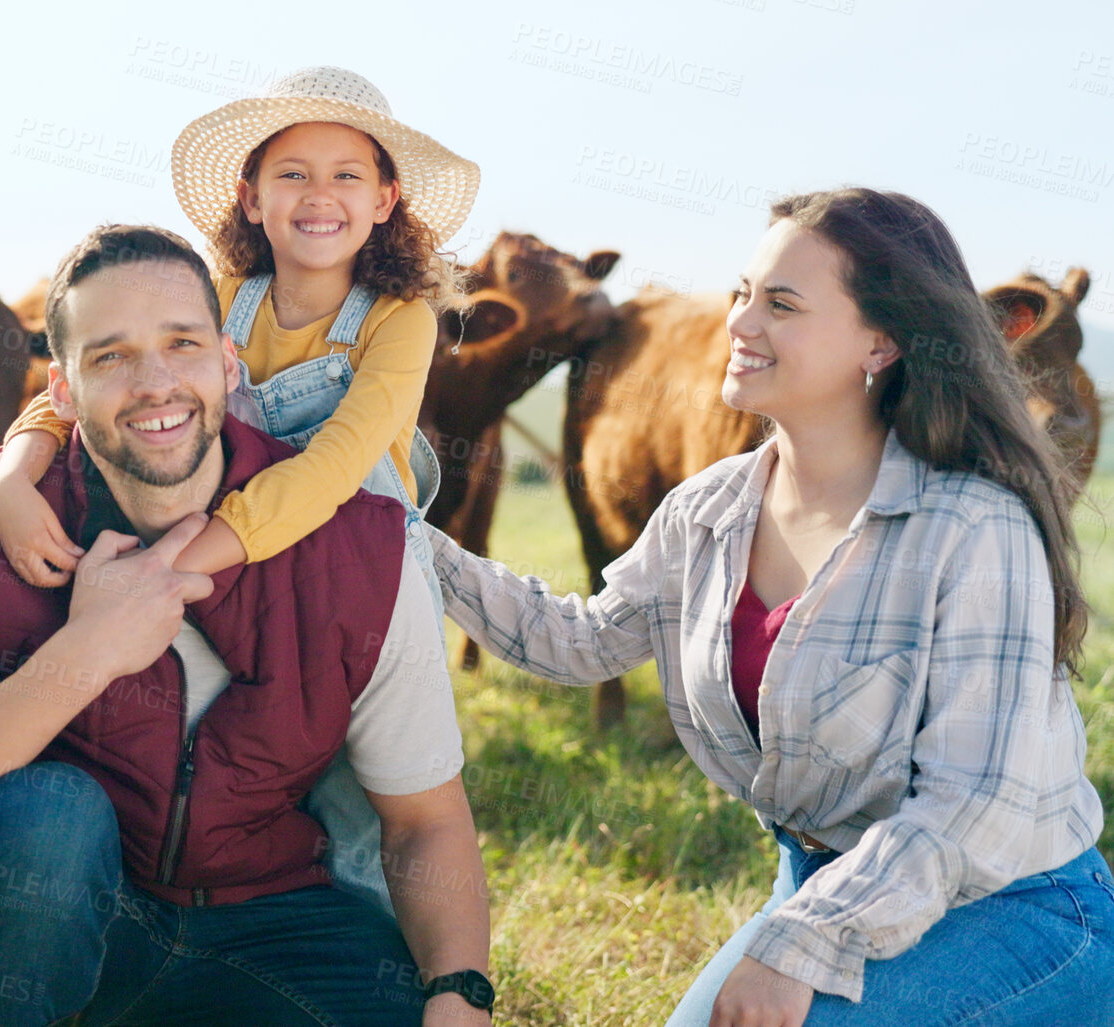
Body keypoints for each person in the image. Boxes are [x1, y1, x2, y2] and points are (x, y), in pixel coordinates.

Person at [424, 188, 1114, 1026]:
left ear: (882, 340)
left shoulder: (972, 527)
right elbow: (580, 640)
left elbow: (974, 808)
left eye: (780, 304)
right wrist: (405, 540)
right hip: (824, 884)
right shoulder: (707, 509)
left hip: (1011, 903)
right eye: (741, 294)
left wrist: (799, 945)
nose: (740, 324)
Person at [0, 225, 495, 1026]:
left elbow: (426, 822)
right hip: (85, 919)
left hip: (277, 925)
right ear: (60, 391)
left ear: (227, 362)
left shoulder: (359, 547)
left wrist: (462, 998)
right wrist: (84, 653)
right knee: (45, 816)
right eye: (109, 356)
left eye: (182, 344)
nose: (155, 382)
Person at [0, 64, 479, 914]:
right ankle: (179, 926)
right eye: (291, 173)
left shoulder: (398, 321)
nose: (317, 195)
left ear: (386, 199)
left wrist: (177, 567)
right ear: (250, 196)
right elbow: (83, 380)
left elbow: (336, 465)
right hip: (226, 577)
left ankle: (374, 963)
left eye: (346, 176)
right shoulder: (219, 300)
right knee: (223, 763)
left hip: (347, 587)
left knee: (354, 793)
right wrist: (13, 471)